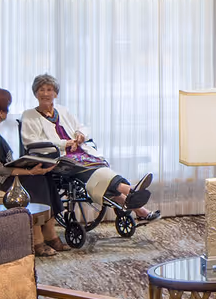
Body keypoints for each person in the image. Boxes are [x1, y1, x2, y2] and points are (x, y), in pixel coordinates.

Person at [17, 73, 159, 224]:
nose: (45, 93)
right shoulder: (29, 115)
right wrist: (64, 143)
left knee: (102, 171)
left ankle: (136, 204)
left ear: (55, 93)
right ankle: (132, 193)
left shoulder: (63, 111)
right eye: (41, 90)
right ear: (35, 93)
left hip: (80, 153)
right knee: (95, 172)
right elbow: (30, 141)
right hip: (58, 158)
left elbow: (82, 127)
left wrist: (80, 134)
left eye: (49, 89)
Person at [0, 87, 66, 256]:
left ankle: (49, 230)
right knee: (35, 180)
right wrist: (28, 172)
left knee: (46, 177)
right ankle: (37, 238)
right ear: (2, 113)